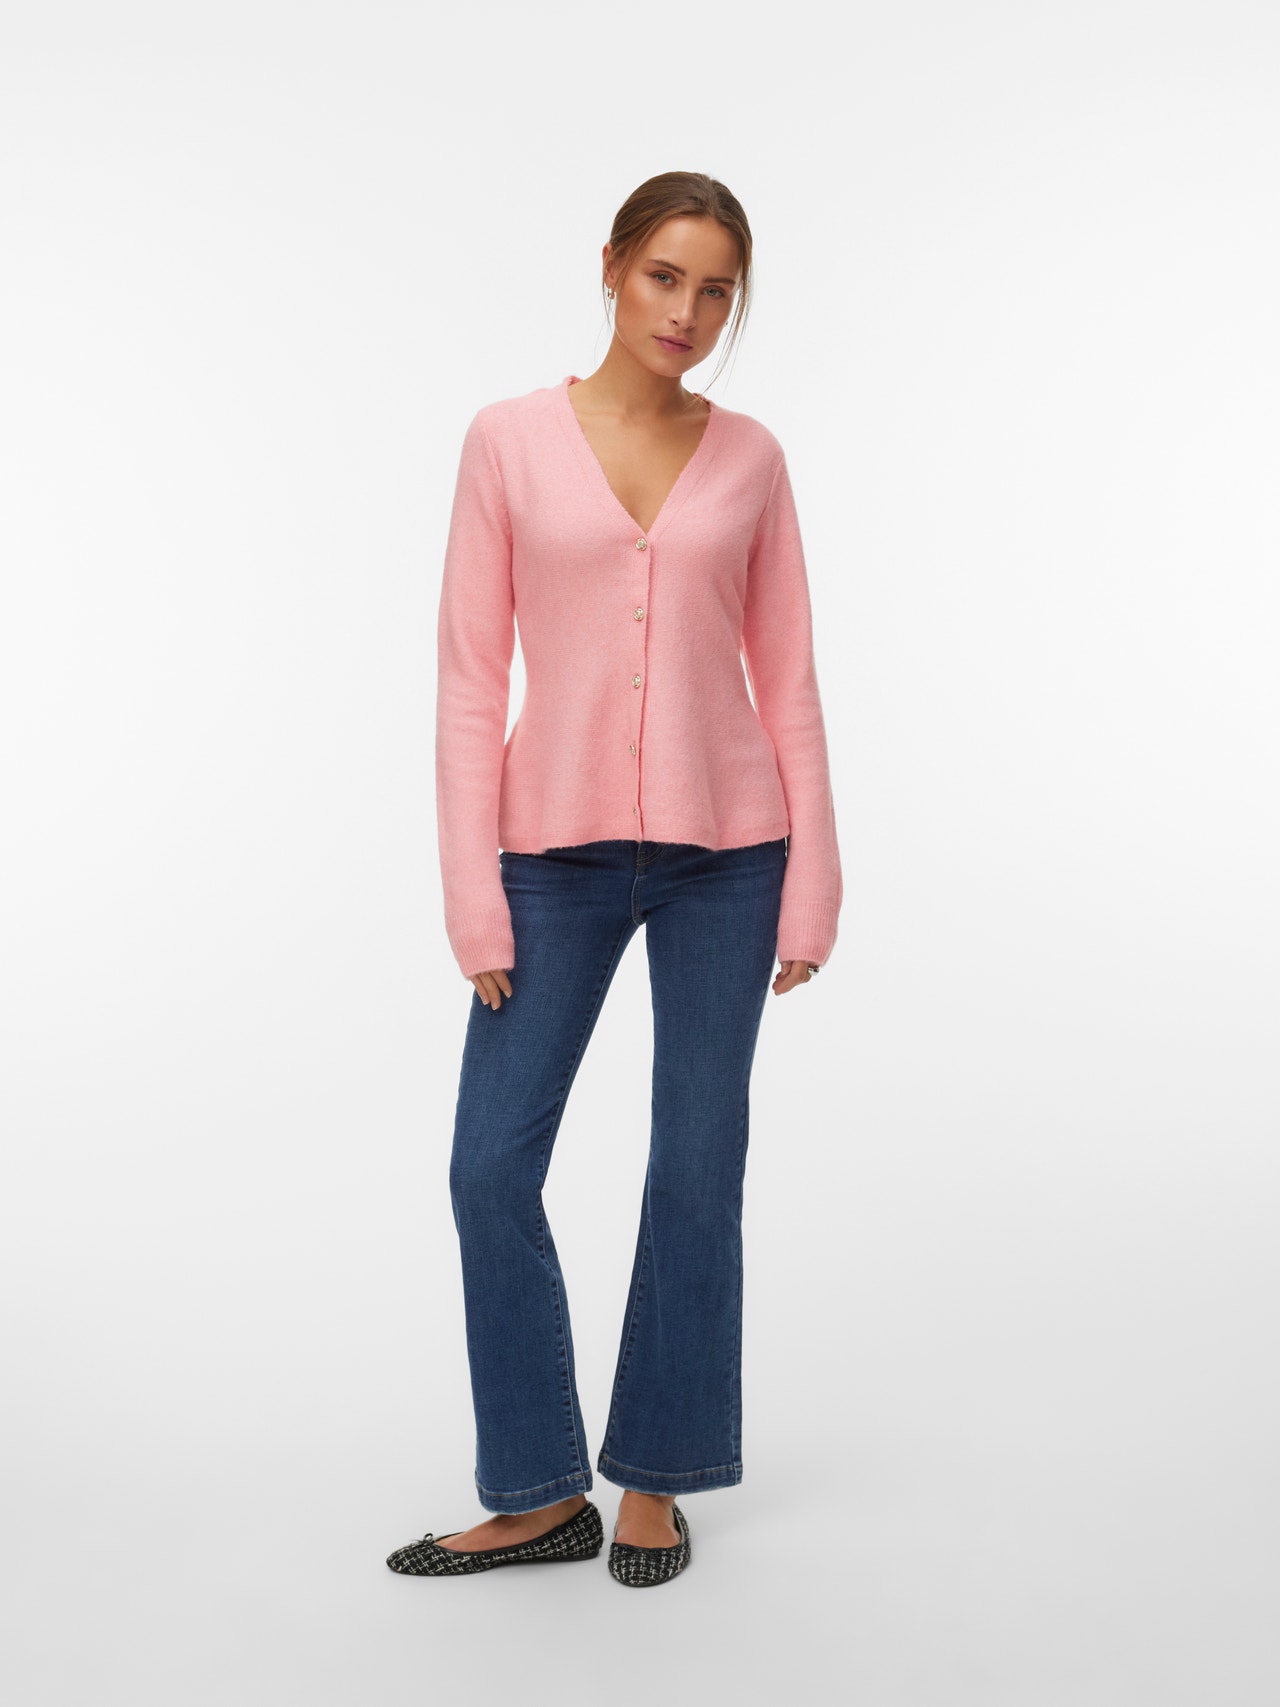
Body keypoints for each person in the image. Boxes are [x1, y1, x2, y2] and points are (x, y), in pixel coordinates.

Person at [386, 170, 843, 1588]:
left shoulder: (752, 458)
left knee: (698, 1166)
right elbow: (471, 680)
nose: (687, 311)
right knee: (489, 1166)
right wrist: (471, 891)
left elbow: (790, 679)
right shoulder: (508, 442)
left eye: (715, 290)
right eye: (664, 276)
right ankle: (538, 1491)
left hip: (732, 857)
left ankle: (656, 1477)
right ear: (611, 267)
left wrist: (815, 882)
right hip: (550, 859)